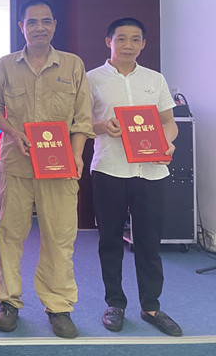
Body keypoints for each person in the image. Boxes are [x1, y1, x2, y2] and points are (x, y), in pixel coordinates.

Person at [0, 0, 94, 339]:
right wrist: (12, 131)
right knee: (9, 234)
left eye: (46, 21)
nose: (39, 28)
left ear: (55, 25)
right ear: (21, 27)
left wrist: (77, 155)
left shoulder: (73, 65)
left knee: (60, 237)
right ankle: (8, 302)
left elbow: (82, 118)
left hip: (60, 167)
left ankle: (58, 306)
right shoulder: (5, 65)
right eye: (32, 22)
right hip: (16, 165)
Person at [87, 17, 182, 336]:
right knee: (110, 240)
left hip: (151, 171)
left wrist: (165, 143)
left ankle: (151, 306)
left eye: (135, 39)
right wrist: (102, 126)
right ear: (108, 42)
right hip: (110, 169)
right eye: (121, 38)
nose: (128, 45)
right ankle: (114, 303)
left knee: (149, 242)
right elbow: (79, 123)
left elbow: (169, 122)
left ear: (143, 44)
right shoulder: (91, 79)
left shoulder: (155, 79)